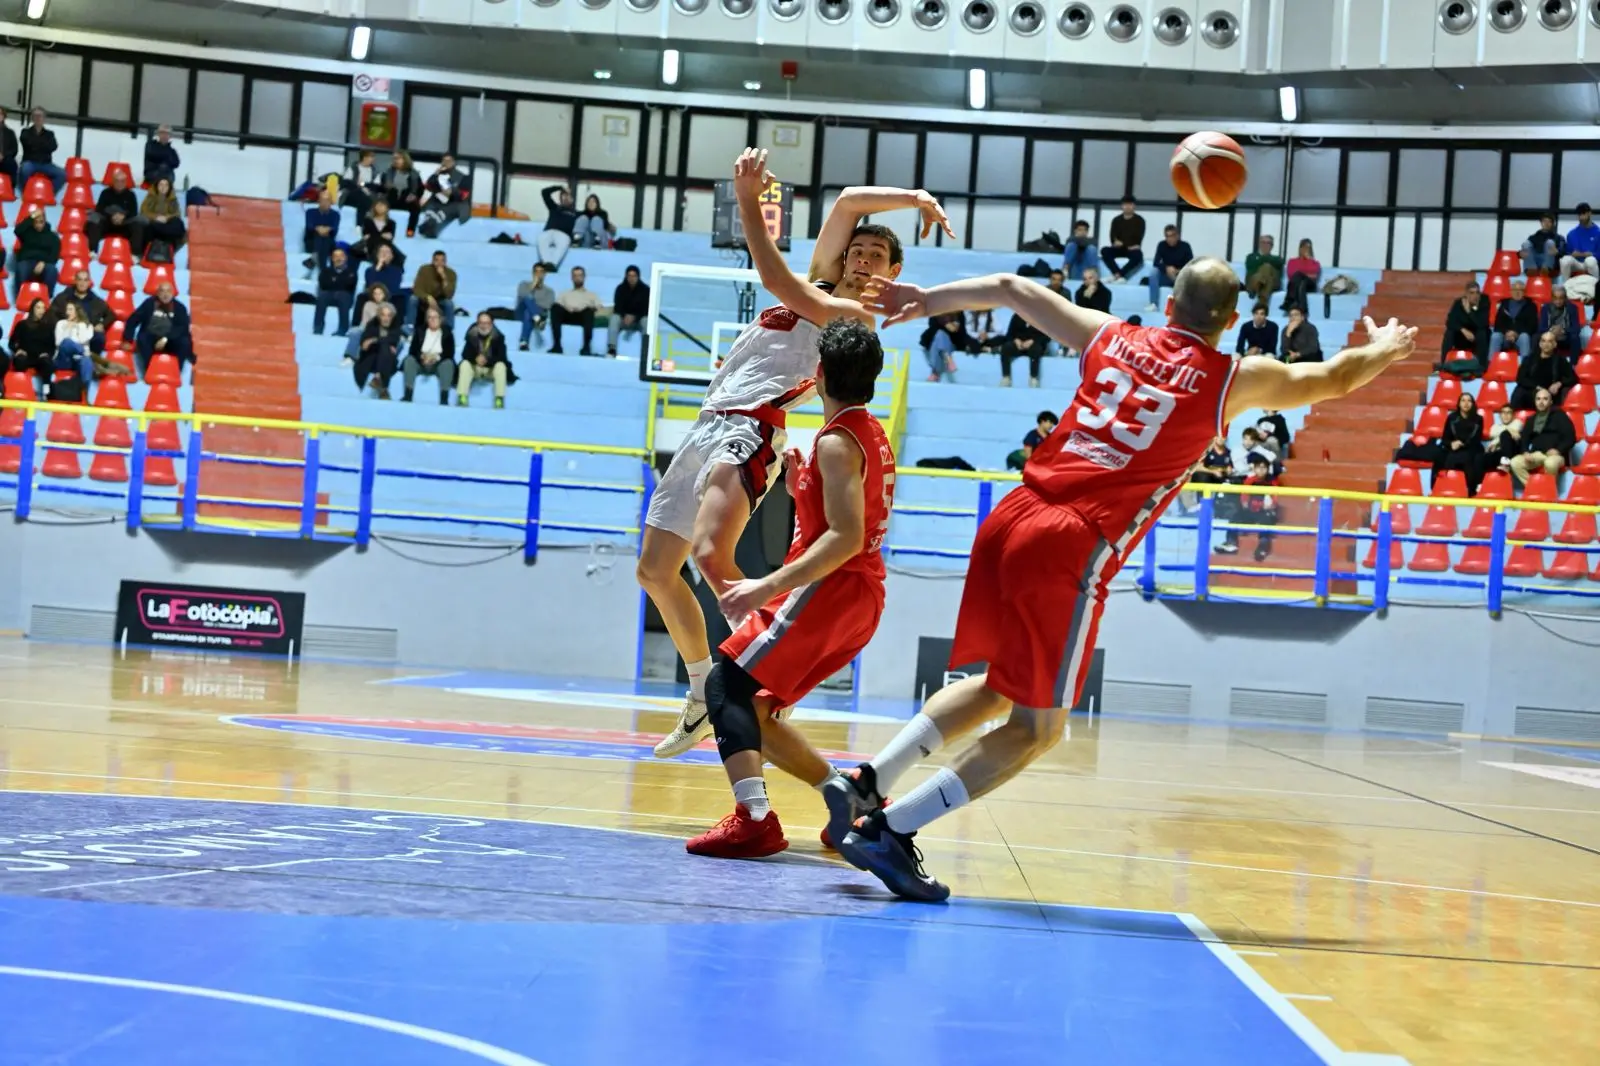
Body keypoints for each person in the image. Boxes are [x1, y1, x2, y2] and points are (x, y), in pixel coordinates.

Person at [838, 257, 1417, 900]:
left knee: (1001, 688)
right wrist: (1387, 348)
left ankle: (867, 780)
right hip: (1070, 542)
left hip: (1012, 514)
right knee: (1040, 727)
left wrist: (927, 299)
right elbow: (1335, 377)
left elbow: (1010, 287)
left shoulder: (1113, 334)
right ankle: (891, 828)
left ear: (1168, 305)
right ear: (1230, 321)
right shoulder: (1230, 378)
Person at [644, 148, 950, 761]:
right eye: (857, 249)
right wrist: (914, 198)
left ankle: (761, 665)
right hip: (707, 419)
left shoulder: (855, 317)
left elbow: (774, 280)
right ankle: (703, 689)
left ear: (892, 272)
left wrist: (750, 201)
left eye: (877, 255)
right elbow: (848, 201)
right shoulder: (821, 281)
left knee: (710, 553)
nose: (862, 257)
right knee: (654, 569)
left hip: (754, 425)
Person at [684, 317, 895, 858]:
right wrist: (806, 487)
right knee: (755, 710)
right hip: (857, 595)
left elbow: (845, 538)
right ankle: (849, 797)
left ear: (818, 374)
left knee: (725, 685)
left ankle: (754, 819)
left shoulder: (837, 443)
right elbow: (848, 517)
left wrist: (764, 587)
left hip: (831, 589)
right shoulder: (866, 433)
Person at [1214, 453, 1279, 561]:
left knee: (1267, 521)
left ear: (1268, 469)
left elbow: (1275, 500)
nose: (1261, 470)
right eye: (1259, 467)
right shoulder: (1250, 480)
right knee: (1235, 516)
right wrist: (1247, 505)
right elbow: (1244, 497)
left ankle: (1262, 549)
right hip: (1251, 511)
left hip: (1265, 513)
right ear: (1255, 469)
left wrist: (1270, 505)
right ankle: (1231, 543)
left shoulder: (1272, 482)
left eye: (1264, 468)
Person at [1509, 386, 1576, 486]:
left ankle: (1548, 490)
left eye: (1545, 399)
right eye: (1538, 399)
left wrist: (1558, 450)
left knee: (1550, 463)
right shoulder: (1531, 419)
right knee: (1515, 462)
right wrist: (1525, 452)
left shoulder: (1560, 416)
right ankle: (1534, 488)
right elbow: (1524, 438)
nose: (1541, 402)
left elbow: (1570, 438)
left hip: (1556, 455)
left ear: (1551, 402)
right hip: (1537, 454)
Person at [126, 283, 194, 375]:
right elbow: (133, 319)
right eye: (162, 291)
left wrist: (165, 338)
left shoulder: (180, 308)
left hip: (171, 339)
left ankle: (176, 372)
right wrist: (127, 339)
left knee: (184, 342)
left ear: (173, 293)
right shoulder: (149, 304)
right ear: (158, 293)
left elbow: (182, 328)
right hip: (152, 337)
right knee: (142, 339)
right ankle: (150, 370)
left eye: (168, 291)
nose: (165, 294)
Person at [402, 303, 457, 405]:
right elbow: (412, 350)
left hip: (439, 363)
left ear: (441, 319)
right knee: (409, 360)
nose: (432, 320)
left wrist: (436, 357)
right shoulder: (420, 331)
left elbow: (450, 352)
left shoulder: (447, 332)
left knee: (448, 363)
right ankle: (408, 394)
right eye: (430, 317)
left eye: (435, 317)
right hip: (421, 362)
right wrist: (421, 356)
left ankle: (444, 398)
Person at [49, 270, 113, 354]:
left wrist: (102, 324)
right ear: (75, 281)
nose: (82, 283)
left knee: (99, 338)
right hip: (67, 332)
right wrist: (61, 326)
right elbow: (51, 313)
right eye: (80, 279)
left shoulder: (96, 300)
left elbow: (111, 315)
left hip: (87, 334)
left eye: (85, 280)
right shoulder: (63, 297)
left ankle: (91, 358)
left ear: (89, 282)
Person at [457, 311, 512, 409]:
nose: (483, 326)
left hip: (491, 369)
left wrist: (487, 360)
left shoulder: (498, 337)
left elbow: (502, 357)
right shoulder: (471, 335)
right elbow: (464, 354)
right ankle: (462, 396)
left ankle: (499, 398)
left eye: (486, 323)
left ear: (491, 324)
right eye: (481, 323)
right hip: (476, 368)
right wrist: (475, 358)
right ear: (477, 323)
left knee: (501, 366)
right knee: (464, 364)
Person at [1511, 330, 1577, 410]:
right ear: (1540, 344)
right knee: (1519, 392)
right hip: (1531, 392)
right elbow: (1520, 378)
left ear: (1555, 344)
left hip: (1549, 395)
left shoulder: (1560, 360)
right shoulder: (1530, 359)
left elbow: (1573, 378)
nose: (1546, 344)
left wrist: (1559, 384)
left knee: (1545, 398)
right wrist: (1537, 387)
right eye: (1543, 341)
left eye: (1550, 341)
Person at [1435, 391, 1485, 496]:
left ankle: (1471, 491)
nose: (1466, 403)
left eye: (1469, 401)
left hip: (1471, 448)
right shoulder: (1451, 418)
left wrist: (1461, 444)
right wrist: (1451, 444)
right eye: (1463, 400)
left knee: (1468, 458)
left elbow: (1476, 439)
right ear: (1459, 403)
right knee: (1440, 455)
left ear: (1473, 404)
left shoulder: (1478, 419)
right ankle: (1440, 487)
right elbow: (1445, 438)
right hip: (1453, 448)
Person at [85, 169, 145, 255]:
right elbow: (100, 209)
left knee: (138, 225)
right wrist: (112, 216)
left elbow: (133, 212)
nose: (120, 183)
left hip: (124, 224)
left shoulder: (131, 194)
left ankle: (135, 255)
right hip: (108, 223)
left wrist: (123, 216)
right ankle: (93, 251)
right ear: (113, 181)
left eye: (122, 181)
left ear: (125, 182)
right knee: (93, 222)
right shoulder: (105, 193)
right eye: (117, 181)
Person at [549, 266, 602, 356]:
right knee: (555, 308)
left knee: (589, 312)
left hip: (583, 316)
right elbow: (557, 304)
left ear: (584, 277)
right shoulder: (564, 293)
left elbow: (599, 307)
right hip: (567, 314)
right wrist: (567, 307)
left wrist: (587, 307)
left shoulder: (592, 294)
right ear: (572, 278)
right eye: (575, 276)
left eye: (580, 275)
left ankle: (586, 347)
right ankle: (557, 346)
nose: (577, 278)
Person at [354, 301, 402, 398]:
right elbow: (364, 345)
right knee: (386, 347)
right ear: (379, 316)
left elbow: (394, 339)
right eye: (383, 315)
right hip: (371, 359)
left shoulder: (396, 326)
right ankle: (384, 388)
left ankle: (378, 377)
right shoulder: (372, 324)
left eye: (389, 315)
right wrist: (384, 343)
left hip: (388, 360)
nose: (386, 318)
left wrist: (374, 340)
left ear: (392, 317)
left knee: (385, 348)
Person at [1441, 280, 1489, 373]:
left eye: (1477, 293)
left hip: (1477, 337)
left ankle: (1482, 367)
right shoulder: (1458, 303)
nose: (1475, 296)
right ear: (1466, 294)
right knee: (1450, 332)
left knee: (1482, 332)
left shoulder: (1484, 301)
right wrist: (1463, 330)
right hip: (1462, 337)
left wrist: (1469, 312)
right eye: (1472, 293)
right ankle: (1444, 364)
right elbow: (1450, 322)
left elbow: (1482, 323)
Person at [13, 208, 60, 299]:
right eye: (36, 222)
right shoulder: (27, 233)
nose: (38, 225)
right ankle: (21, 298)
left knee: (52, 270)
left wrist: (43, 262)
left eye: (41, 222)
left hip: (44, 263)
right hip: (27, 261)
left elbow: (54, 256)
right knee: (21, 268)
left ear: (45, 222)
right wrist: (31, 216)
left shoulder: (53, 237)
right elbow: (17, 230)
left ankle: (46, 298)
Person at [1144, 225, 1193, 311]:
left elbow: (1190, 265)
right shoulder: (1162, 245)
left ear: (1177, 236)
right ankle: (1153, 303)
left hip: (1180, 276)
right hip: (1166, 276)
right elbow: (1156, 262)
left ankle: (1183, 307)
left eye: (1172, 236)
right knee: (1154, 272)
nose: (1170, 239)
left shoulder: (1185, 246)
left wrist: (1177, 271)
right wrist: (1166, 268)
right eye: (1167, 236)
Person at [7, 299, 54, 385]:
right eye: (38, 307)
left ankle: (46, 389)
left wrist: (47, 354)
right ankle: (20, 386)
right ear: (33, 309)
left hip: (40, 358)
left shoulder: (48, 327)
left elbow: (52, 346)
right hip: (25, 356)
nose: (41, 310)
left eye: (43, 308)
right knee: (19, 360)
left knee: (47, 363)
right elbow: (11, 343)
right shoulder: (22, 324)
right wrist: (17, 350)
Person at [18, 108, 65, 194]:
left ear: (44, 118)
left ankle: (48, 193)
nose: (38, 118)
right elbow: (27, 143)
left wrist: (35, 143)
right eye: (35, 116)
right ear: (32, 118)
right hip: (30, 162)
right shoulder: (25, 132)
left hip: (46, 163)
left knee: (62, 174)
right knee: (24, 170)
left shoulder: (50, 133)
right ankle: (26, 192)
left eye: (40, 116)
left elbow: (53, 147)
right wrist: (43, 144)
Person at [343, 283, 392, 364]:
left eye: (380, 294)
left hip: (384, 332)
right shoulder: (368, 305)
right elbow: (365, 322)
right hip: (368, 330)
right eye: (375, 294)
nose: (377, 296)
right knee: (356, 332)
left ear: (384, 294)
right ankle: (350, 357)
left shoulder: (390, 307)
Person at [410, 250, 458, 334]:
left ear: (445, 262)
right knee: (413, 299)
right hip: (424, 298)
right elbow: (416, 289)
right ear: (432, 261)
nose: (439, 263)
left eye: (442, 261)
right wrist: (427, 297)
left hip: (440, 300)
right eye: (436, 260)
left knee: (449, 304)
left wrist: (444, 278)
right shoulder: (424, 269)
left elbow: (449, 295)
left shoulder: (451, 273)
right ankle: (409, 326)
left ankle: (449, 330)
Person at [1099, 196, 1145, 283]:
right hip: (1119, 248)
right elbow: (1112, 237)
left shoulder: (1140, 220)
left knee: (1138, 256)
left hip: (1132, 249)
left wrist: (1124, 244)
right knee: (1104, 250)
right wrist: (1116, 242)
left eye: (1130, 204)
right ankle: (1118, 274)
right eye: (1125, 204)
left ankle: (1119, 275)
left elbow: (1138, 238)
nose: (1127, 207)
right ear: (1122, 206)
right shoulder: (1116, 220)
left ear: (1134, 206)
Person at [314, 247, 358, 336]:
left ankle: (343, 329)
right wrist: (340, 282)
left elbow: (350, 285)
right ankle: (318, 328)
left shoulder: (352, 272)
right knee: (322, 297)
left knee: (343, 295)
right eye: (336, 256)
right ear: (332, 258)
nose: (339, 258)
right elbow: (323, 284)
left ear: (345, 258)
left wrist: (334, 282)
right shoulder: (325, 271)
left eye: (341, 256)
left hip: (345, 297)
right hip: (328, 295)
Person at [381, 150, 426, 237]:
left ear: (405, 160)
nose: (395, 160)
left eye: (398, 158)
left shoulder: (414, 174)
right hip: (392, 198)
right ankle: (383, 230)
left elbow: (420, 189)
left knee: (415, 208)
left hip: (407, 199)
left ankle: (410, 231)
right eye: (394, 158)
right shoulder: (388, 172)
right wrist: (386, 187)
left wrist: (414, 195)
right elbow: (381, 188)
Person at [608, 264, 650, 357]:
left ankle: (647, 351)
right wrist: (624, 316)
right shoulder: (620, 289)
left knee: (646, 321)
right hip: (624, 320)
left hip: (638, 321)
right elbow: (617, 307)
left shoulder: (646, 290)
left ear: (638, 277)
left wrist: (634, 317)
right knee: (614, 318)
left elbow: (647, 308)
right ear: (626, 277)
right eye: (629, 276)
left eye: (634, 276)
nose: (631, 278)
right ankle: (612, 349)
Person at [139, 177, 186, 258]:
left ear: (169, 187)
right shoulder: (150, 197)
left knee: (179, 223)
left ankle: (169, 252)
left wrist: (166, 218)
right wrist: (156, 217)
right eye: (161, 185)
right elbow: (143, 212)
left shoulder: (172, 198)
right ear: (156, 186)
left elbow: (177, 213)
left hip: (167, 223)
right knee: (150, 227)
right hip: (154, 223)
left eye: (166, 185)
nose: (163, 187)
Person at [1491, 278, 1538, 359]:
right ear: (1511, 291)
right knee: (1495, 336)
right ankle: (1491, 363)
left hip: (1520, 337)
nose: (1517, 292)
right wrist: (1506, 332)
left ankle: (1525, 365)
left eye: (1520, 290)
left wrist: (1516, 333)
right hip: (1505, 336)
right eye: (1515, 290)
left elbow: (1532, 326)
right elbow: (1497, 324)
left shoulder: (1531, 306)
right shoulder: (1504, 304)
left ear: (1524, 292)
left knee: (1524, 337)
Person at [998, 312, 1047, 388]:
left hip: (1033, 344)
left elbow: (1046, 336)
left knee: (1036, 349)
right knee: (1006, 348)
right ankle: (1006, 377)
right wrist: (1016, 340)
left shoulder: (1041, 317)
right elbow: (1009, 334)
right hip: (1018, 344)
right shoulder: (1017, 316)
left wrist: (1033, 341)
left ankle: (1033, 378)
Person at [362, 244, 406, 323]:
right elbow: (371, 284)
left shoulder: (397, 270)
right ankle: (356, 325)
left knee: (400, 298)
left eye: (387, 252)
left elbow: (393, 286)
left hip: (391, 295)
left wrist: (382, 293)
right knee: (361, 297)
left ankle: (398, 325)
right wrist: (378, 267)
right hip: (374, 295)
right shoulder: (369, 270)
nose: (384, 254)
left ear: (392, 256)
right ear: (377, 255)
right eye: (381, 251)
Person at [516, 262, 554, 351]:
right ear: (532, 273)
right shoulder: (524, 284)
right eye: (536, 272)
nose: (538, 274)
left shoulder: (549, 291)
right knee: (527, 298)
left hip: (537, 313)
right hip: (520, 312)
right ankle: (538, 319)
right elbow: (522, 296)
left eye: (541, 272)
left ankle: (524, 342)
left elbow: (547, 305)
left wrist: (533, 307)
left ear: (545, 274)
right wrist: (532, 286)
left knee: (528, 312)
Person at [539, 185, 580, 267]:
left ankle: (553, 265)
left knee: (564, 241)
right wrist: (560, 187)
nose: (566, 198)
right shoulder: (554, 207)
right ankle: (546, 263)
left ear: (573, 199)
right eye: (563, 195)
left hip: (564, 234)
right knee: (541, 238)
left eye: (568, 196)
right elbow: (544, 192)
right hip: (548, 231)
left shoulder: (577, 214)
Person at [1538, 284, 1581, 360]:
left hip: (1565, 338)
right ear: (1552, 298)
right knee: (1536, 338)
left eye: (1561, 298)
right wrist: (1551, 330)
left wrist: (1562, 330)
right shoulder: (1545, 308)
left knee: (1575, 338)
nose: (1558, 301)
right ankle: (1538, 363)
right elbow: (1541, 328)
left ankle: (1573, 364)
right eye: (1555, 298)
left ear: (1565, 298)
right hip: (1549, 337)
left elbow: (1576, 328)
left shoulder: (1572, 308)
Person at [352, 197, 400, 267]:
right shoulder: (367, 221)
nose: (380, 208)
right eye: (378, 206)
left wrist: (374, 235)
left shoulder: (391, 223)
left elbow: (390, 237)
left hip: (384, 245)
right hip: (370, 245)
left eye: (382, 205)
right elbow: (366, 236)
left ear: (387, 208)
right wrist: (380, 235)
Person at [303, 189, 341, 273]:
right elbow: (309, 226)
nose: (325, 203)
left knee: (326, 239)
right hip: (312, 242)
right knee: (320, 237)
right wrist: (319, 229)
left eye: (327, 200)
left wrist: (324, 229)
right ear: (318, 201)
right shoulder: (310, 212)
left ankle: (315, 258)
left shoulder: (335, 214)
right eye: (322, 200)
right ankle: (323, 270)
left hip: (329, 244)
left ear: (331, 202)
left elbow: (335, 229)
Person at [1561, 202, 1599, 281]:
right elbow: (1568, 252)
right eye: (1579, 215)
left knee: (1590, 260)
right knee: (1565, 260)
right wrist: (1572, 254)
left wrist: (1592, 254)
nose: (1581, 217)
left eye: (1583, 214)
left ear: (1589, 213)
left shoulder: (1598, 233)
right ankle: (1565, 285)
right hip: (1576, 263)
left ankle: (1596, 286)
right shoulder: (1571, 234)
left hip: (1592, 263)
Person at [343, 149, 385, 219]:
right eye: (371, 157)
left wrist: (362, 184)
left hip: (369, 194)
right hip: (353, 194)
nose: (373, 159)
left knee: (366, 199)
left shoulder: (375, 171)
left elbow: (375, 186)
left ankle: (361, 222)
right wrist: (362, 187)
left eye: (373, 157)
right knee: (360, 195)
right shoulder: (353, 168)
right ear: (364, 157)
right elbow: (346, 183)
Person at [1242, 234, 1282, 302]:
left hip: (1271, 284)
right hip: (1254, 281)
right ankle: (1262, 302)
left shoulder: (1277, 258)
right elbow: (1251, 267)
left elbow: (1280, 262)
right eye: (1263, 242)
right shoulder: (1251, 257)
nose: (1265, 245)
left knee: (1267, 267)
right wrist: (1266, 259)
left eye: (1268, 243)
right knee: (1264, 277)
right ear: (1259, 244)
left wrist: (1260, 259)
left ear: (1272, 246)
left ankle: (1257, 288)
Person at [1284, 239, 1321, 313]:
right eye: (1304, 247)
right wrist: (1306, 274)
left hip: (1310, 285)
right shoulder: (1292, 261)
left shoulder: (1315, 262)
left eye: (1308, 248)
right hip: (1297, 284)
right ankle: (1303, 310)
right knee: (1300, 281)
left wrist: (1309, 260)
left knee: (1299, 276)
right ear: (1300, 249)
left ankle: (1289, 301)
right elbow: (1291, 275)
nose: (1306, 250)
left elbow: (1314, 275)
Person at [922, 314, 960, 383]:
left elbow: (957, 331)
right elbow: (932, 329)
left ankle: (935, 372)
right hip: (936, 343)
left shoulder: (956, 314)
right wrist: (946, 325)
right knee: (940, 336)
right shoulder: (935, 315)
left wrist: (951, 327)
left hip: (951, 343)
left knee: (940, 339)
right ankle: (948, 359)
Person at [0, 106, 17, 187]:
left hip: (5, 159)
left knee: (12, 164)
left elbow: (14, 150)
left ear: (4, 117)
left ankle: (11, 188)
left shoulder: (10, 133)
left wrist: (3, 155)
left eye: (0, 114)